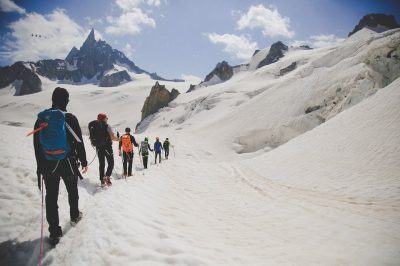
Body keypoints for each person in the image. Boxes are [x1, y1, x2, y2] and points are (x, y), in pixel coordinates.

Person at [33, 87, 88, 245]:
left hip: (48, 164)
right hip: (68, 162)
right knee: (72, 190)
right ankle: (74, 216)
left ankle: (54, 232)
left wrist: (40, 166)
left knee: (51, 197)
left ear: (52, 99)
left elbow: (37, 145)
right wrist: (83, 161)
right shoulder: (70, 118)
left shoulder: (42, 119)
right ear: (66, 100)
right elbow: (79, 142)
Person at [88, 113, 119, 187]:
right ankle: (107, 177)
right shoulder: (107, 126)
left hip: (98, 147)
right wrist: (118, 139)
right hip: (107, 147)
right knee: (111, 163)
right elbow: (112, 137)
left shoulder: (94, 126)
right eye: (106, 118)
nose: (107, 119)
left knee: (101, 164)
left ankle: (102, 180)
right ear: (104, 119)